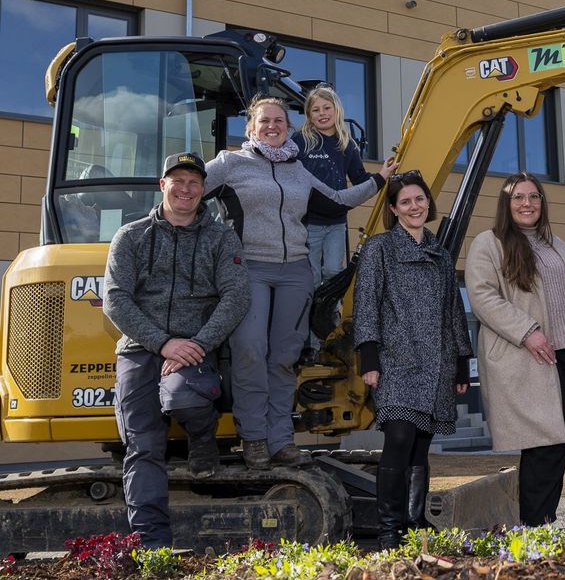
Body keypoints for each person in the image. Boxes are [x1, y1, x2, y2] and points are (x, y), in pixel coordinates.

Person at [205, 95, 396, 470]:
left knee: (284, 358)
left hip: (294, 271)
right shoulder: (230, 163)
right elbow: (190, 190)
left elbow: (337, 202)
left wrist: (379, 179)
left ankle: (280, 440)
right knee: (250, 351)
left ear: (288, 128)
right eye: (265, 121)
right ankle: (254, 437)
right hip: (251, 270)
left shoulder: (297, 170)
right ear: (251, 128)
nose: (273, 126)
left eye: (280, 120)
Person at [104, 152, 250, 548]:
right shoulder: (131, 236)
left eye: (194, 183)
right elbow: (115, 299)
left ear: (203, 190)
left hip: (196, 349)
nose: (186, 189)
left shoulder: (220, 237)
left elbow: (236, 296)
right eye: (178, 181)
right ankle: (151, 541)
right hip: (140, 349)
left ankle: (202, 442)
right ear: (162, 185)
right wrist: (164, 343)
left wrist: (197, 344)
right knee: (142, 443)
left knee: (184, 397)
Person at [466, 172, 565, 526]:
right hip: (525, 357)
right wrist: (527, 331)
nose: (526, 203)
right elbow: (482, 297)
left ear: (542, 203)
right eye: (518, 197)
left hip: (563, 357)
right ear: (506, 204)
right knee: (545, 443)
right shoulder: (490, 242)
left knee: (559, 440)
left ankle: (541, 522)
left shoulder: (556, 245)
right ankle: (534, 526)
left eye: (533, 197)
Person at [353, 171, 474, 548]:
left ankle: (414, 520)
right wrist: (368, 357)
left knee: (421, 442)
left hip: (436, 361)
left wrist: (460, 361)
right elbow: (366, 303)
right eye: (405, 202)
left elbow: (454, 309)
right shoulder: (380, 248)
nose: (414, 206)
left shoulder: (440, 253)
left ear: (428, 203)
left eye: (419, 199)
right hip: (396, 359)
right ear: (393, 209)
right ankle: (390, 528)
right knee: (400, 436)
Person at [290, 85, 371, 358]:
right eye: (316, 110)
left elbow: (360, 179)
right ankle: (311, 343)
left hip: (336, 222)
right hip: (309, 222)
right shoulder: (300, 141)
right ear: (308, 115)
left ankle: (330, 333)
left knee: (334, 274)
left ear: (337, 110)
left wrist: (385, 178)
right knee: (311, 278)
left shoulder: (347, 145)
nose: (322, 113)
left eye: (327, 108)